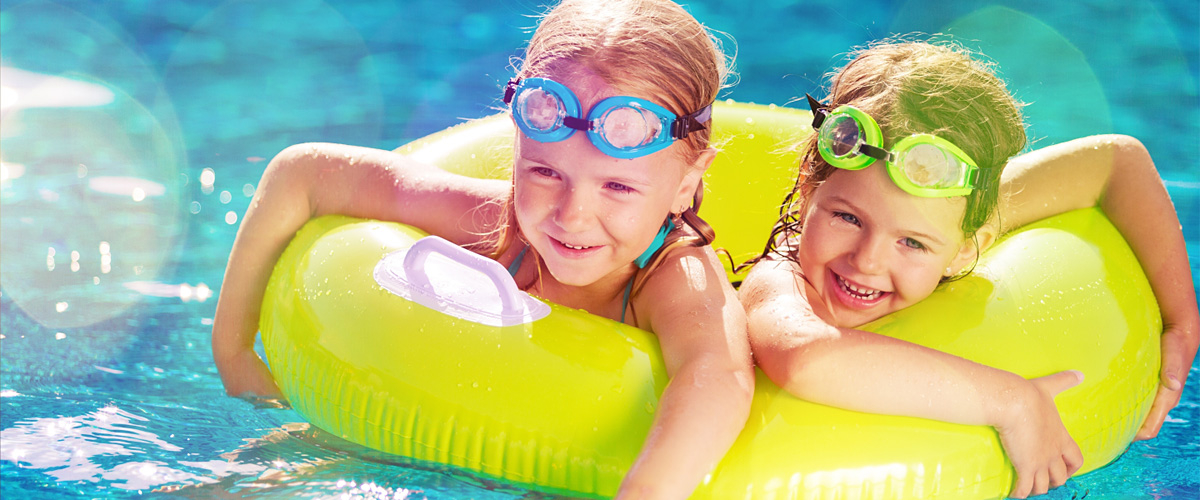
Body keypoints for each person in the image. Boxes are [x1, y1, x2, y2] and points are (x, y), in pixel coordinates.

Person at [211, 0, 754, 498]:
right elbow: (303, 174)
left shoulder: (672, 276)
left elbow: (719, 373)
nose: (571, 216)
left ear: (684, 185)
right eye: (545, 172)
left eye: (617, 186)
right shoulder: (499, 225)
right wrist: (234, 354)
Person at [738, 39, 1198, 499]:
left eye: (911, 243)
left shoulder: (949, 212)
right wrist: (1013, 401)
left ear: (966, 251)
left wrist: (1182, 324)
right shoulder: (782, 280)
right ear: (808, 191)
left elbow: (1115, 161)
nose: (867, 260)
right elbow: (804, 357)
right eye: (847, 218)